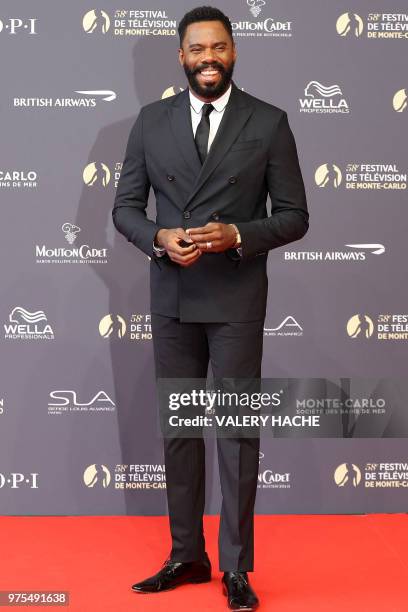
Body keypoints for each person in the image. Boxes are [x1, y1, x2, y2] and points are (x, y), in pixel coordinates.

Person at [112, 6, 309, 610]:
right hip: (172, 293)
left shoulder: (268, 122)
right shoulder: (150, 122)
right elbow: (125, 208)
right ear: (181, 56)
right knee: (178, 431)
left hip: (236, 298)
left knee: (237, 432)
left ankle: (237, 568)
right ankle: (185, 554)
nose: (208, 58)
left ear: (234, 52)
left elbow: (295, 217)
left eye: (219, 47)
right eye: (197, 49)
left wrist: (239, 236)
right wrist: (158, 239)